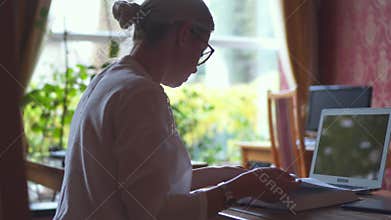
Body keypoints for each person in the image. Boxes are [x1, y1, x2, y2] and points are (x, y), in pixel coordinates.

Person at [54, 0, 299, 219]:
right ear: (183, 35)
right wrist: (236, 189)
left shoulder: (108, 80)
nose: (195, 67)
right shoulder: (141, 94)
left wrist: (222, 174)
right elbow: (157, 213)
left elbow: (143, 186)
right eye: (202, 51)